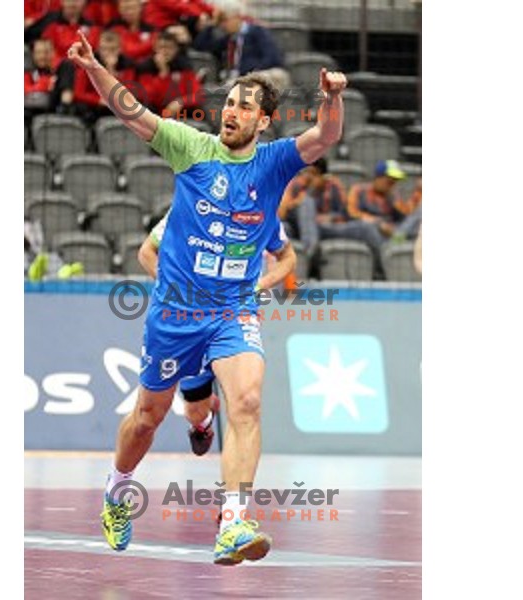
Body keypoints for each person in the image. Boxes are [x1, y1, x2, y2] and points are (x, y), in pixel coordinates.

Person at [67, 29, 347, 565]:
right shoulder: (190, 146)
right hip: (174, 312)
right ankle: (116, 487)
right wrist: (93, 70)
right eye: (230, 103)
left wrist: (331, 99)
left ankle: (234, 523)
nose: (232, 112)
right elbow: (131, 112)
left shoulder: (274, 163)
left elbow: (324, 138)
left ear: (263, 121)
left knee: (245, 402)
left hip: (231, 311)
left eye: (245, 107)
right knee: (147, 418)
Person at [138, 211, 297, 455]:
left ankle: (237, 493)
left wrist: (262, 285)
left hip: (232, 322)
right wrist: (173, 289)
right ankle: (203, 423)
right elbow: (146, 252)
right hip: (189, 322)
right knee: (194, 411)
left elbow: (288, 257)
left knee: (247, 401)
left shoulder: (262, 210)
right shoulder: (188, 204)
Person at [193, 0, 289, 90]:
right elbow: (201, 46)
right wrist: (212, 24)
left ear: (237, 17)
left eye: (225, 20)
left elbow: (272, 58)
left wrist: (249, 72)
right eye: (220, 22)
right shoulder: (228, 39)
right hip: (234, 81)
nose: (222, 25)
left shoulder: (257, 32)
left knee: (275, 75)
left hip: (255, 76)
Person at [135, 30, 204, 118]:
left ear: (176, 49)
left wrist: (181, 102)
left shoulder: (184, 66)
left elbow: (198, 95)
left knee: (198, 112)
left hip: (179, 111)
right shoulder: (145, 67)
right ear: (155, 48)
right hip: (154, 113)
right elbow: (148, 97)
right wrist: (163, 73)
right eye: (161, 47)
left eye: (169, 48)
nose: (165, 51)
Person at [73, 30, 136, 123]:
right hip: (95, 106)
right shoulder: (88, 63)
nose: (108, 53)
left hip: (118, 106)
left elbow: (127, 93)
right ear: (98, 49)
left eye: (112, 49)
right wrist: (98, 100)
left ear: (120, 49)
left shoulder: (127, 65)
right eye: (104, 49)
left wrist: (111, 70)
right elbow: (78, 93)